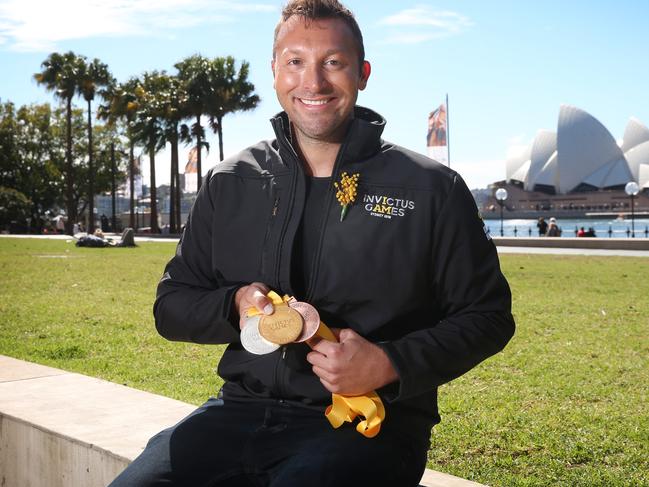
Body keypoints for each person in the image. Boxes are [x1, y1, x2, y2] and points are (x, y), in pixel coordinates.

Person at [109, 1, 514, 486]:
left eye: (333, 63)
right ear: (275, 71)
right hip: (237, 413)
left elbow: (487, 317)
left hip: (367, 428)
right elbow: (171, 307)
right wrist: (234, 305)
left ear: (362, 73)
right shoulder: (230, 181)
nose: (313, 83)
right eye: (296, 61)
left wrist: (388, 363)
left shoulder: (431, 189)